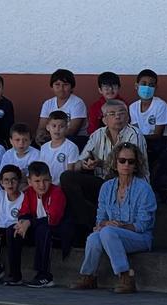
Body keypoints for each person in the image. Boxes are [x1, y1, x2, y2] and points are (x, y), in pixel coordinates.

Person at [60, 99, 147, 250]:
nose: (117, 117)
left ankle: (95, 228)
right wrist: (85, 164)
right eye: (112, 114)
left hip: (129, 185)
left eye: (121, 113)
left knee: (112, 183)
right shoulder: (97, 134)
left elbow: (130, 166)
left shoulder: (135, 134)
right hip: (104, 184)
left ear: (128, 117)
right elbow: (80, 161)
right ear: (104, 118)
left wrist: (101, 163)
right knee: (67, 177)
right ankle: (90, 224)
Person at [71, 142, 156, 294]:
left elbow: (143, 225)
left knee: (108, 232)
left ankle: (125, 276)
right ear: (115, 163)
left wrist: (118, 227)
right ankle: (88, 276)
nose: (126, 165)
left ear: (136, 165)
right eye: (122, 160)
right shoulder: (107, 187)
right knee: (94, 238)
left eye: (131, 161)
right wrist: (104, 224)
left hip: (139, 237)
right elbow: (100, 217)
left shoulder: (144, 189)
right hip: (111, 233)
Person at [6, 161, 66, 287]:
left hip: (56, 230)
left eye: (46, 180)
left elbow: (53, 219)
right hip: (37, 228)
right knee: (12, 230)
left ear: (51, 179)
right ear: (29, 182)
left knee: (43, 230)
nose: (42, 185)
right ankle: (15, 275)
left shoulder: (57, 192)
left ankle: (44, 275)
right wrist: (22, 223)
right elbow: (24, 211)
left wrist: (29, 222)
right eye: (37, 181)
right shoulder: (29, 193)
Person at [37, 69, 87, 144]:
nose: (61, 88)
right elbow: (41, 127)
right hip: (51, 137)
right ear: (52, 87)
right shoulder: (48, 103)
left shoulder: (77, 103)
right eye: (57, 84)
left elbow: (72, 130)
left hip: (75, 139)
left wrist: (52, 138)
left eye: (65, 85)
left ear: (72, 87)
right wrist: (40, 135)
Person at [38, 111, 79, 184]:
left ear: (67, 128)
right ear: (47, 127)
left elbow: (69, 173)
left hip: (63, 186)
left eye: (61, 126)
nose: (57, 129)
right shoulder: (44, 147)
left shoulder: (71, 147)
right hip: (46, 185)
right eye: (54, 126)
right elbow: (42, 169)